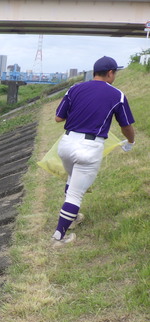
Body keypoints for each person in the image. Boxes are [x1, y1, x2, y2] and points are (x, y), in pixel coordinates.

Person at [50, 56, 135, 246]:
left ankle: (71, 219)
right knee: (75, 194)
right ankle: (59, 237)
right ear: (110, 73)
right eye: (115, 73)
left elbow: (58, 118)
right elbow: (126, 125)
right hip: (89, 148)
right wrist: (131, 141)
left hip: (66, 143)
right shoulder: (117, 94)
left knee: (73, 180)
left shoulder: (74, 88)